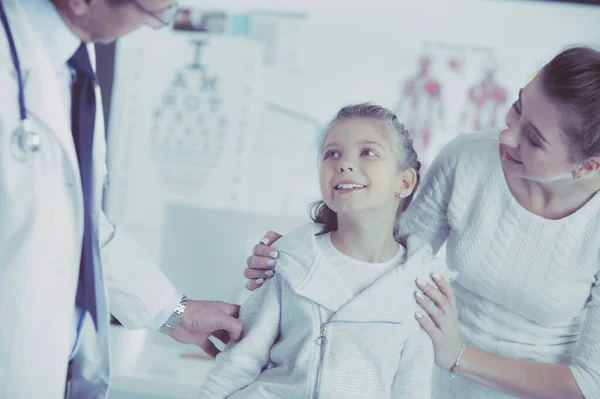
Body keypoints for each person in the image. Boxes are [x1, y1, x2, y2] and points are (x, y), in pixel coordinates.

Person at [246, 46, 600, 399]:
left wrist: (459, 356)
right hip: (427, 381)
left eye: (534, 140)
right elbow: (387, 254)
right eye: (517, 108)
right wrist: (304, 255)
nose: (507, 136)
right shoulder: (468, 157)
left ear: (586, 166)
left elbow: (589, 383)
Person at [0, 1, 241, 398]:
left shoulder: (73, 57)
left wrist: (175, 312)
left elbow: (75, 223)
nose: (155, 26)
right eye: (153, 13)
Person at [197, 103, 455, 398]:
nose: (344, 164)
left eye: (367, 152)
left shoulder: (423, 285)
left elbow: (412, 389)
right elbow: (239, 362)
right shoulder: (287, 260)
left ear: (405, 182)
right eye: (332, 154)